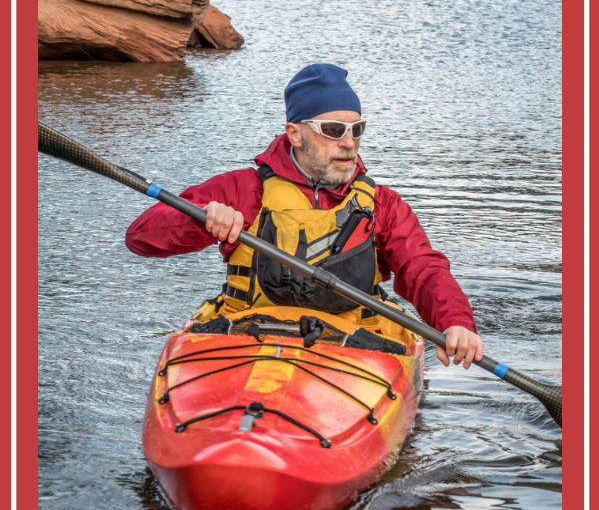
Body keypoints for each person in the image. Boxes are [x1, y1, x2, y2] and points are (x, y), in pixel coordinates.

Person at [126, 63, 484, 368]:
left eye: (356, 129)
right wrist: (201, 219)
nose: (349, 143)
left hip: (354, 342)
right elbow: (140, 239)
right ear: (295, 134)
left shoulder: (382, 204)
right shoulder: (242, 190)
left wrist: (455, 322)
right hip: (246, 337)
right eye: (333, 130)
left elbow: (423, 268)